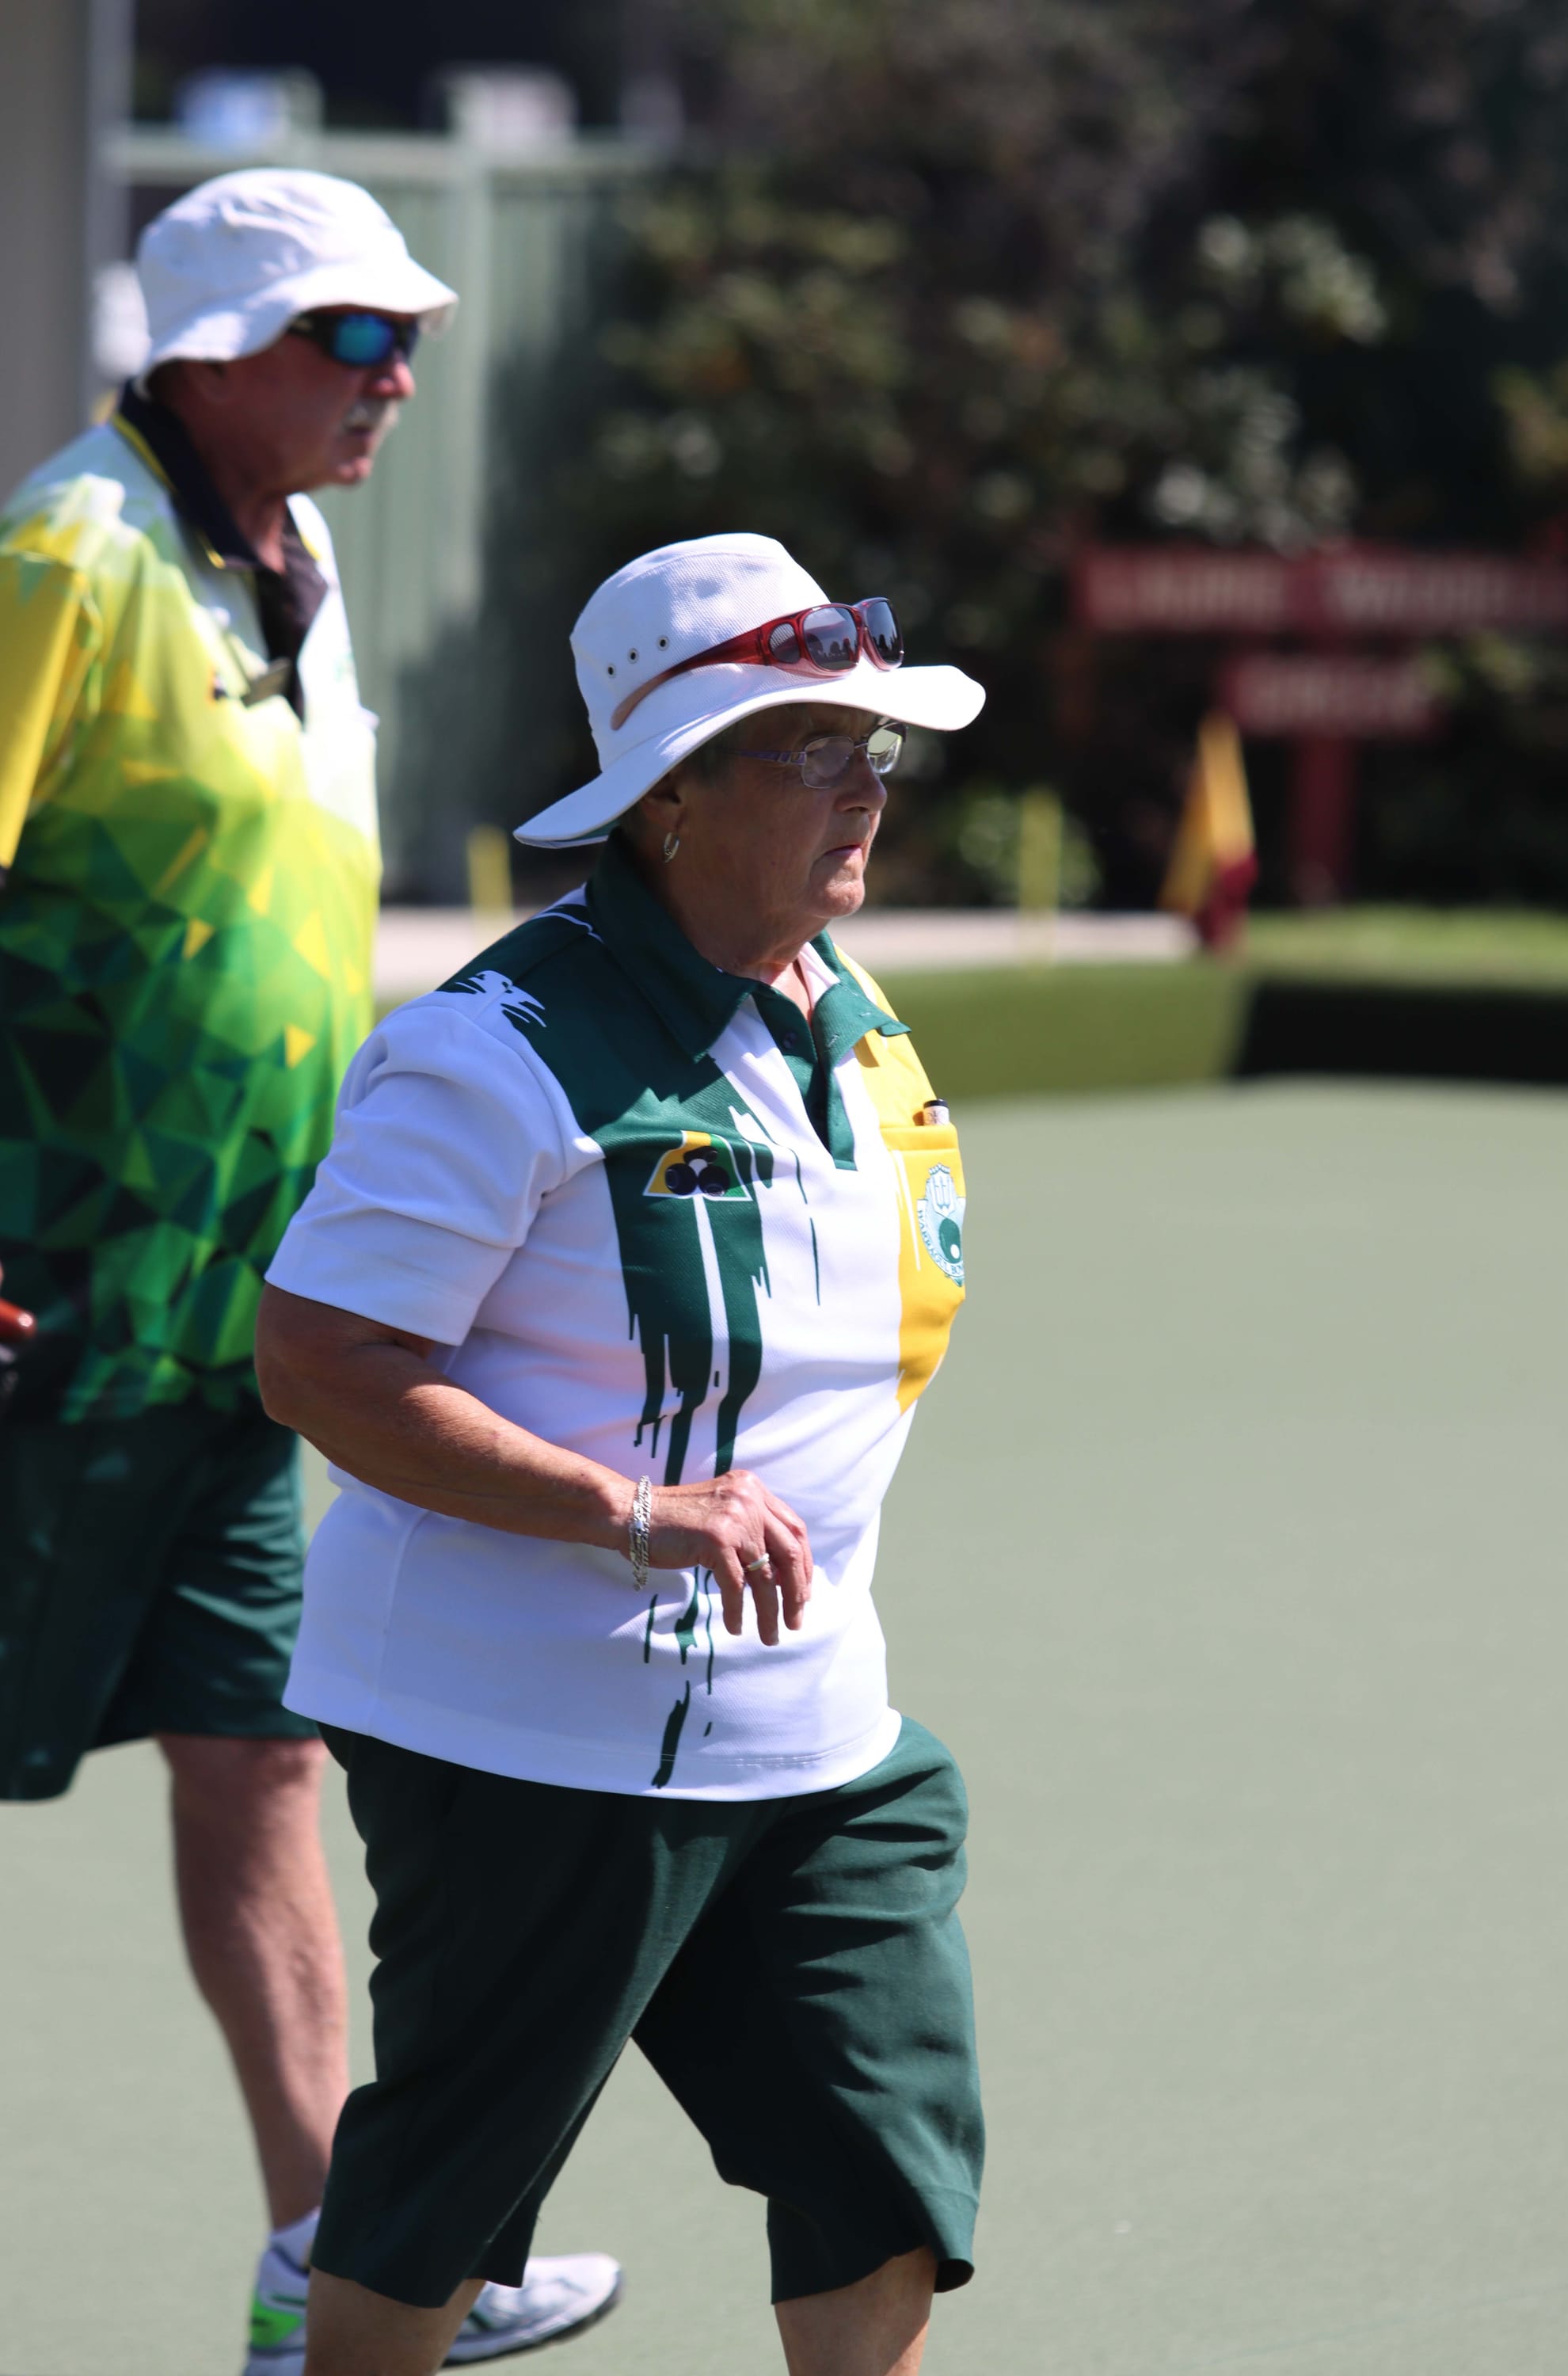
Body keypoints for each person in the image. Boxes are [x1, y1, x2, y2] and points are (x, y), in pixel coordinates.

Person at [0, 169, 618, 2370]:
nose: (403, 376)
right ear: (217, 351)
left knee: (261, 1758)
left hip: (238, 1322)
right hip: (44, 1307)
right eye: (357, 337)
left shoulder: (303, 557)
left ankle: (332, 2257)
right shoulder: (68, 551)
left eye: (407, 335)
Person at [254, 531, 988, 2376]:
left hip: (821, 1740)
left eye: (865, 748)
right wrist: (628, 1509)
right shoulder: (493, 1050)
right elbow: (323, 1363)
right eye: (809, 748)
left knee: (880, 2180)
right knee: (428, 2225)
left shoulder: (856, 1017)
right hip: (527, 1742)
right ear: (669, 800)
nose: (860, 791)